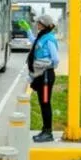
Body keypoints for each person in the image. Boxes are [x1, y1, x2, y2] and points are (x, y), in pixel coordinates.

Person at [22, 14, 59, 142]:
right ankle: (45, 130)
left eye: (39, 23)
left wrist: (43, 64)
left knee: (45, 103)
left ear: (44, 25)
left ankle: (48, 133)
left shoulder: (49, 38)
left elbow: (55, 59)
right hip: (41, 76)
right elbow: (34, 43)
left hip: (46, 78)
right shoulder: (41, 36)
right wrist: (27, 29)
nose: (37, 25)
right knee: (43, 103)